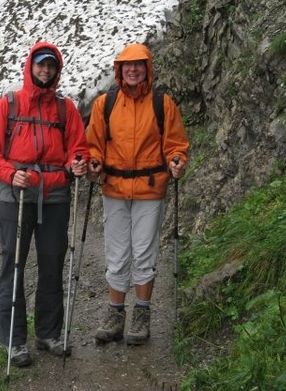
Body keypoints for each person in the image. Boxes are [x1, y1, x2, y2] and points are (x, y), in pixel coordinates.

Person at [0, 41, 89, 367]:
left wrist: (77, 163)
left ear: (57, 71)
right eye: (41, 65)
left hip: (54, 196)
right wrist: (10, 174)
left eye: (51, 66)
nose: (45, 70)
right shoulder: (9, 105)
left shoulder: (64, 109)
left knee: (53, 264)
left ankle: (48, 333)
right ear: (31, 67)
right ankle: (14, 341)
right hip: (17, 197)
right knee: (12, 267)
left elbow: (77, 147)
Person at [86, 43, 188, 345]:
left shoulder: (162, 104)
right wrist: (94, 163)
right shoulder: (104, 105)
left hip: (150, 190)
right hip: (114, 189)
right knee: (116, 256)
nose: (133, 70)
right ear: (119, 70)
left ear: (148, 68)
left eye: (139, 65)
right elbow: (95, 145)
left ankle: (141, 314)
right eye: (127, 65)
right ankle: (115, 314)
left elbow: (176, 143)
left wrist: (177, 160)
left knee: (144, 253)